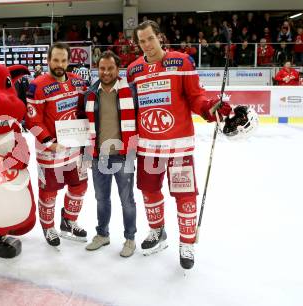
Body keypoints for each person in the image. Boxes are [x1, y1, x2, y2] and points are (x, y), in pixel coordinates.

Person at [127, 20, 231, 269]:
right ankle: (158, 232)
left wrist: (209, 108)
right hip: (148, 148)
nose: (147, 45)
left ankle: (187, 244)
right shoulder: (133, 70)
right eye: (141, 41)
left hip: (178, 146)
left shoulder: (180, 62)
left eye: (150, 38)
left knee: (185, 195)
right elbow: (131, 109)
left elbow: (196, 98)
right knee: (150, 192)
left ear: (159, 37)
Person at [25, 42, 88, 247]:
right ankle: (48, 226)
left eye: (63, 60)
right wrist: (49, 143)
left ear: (69, 61)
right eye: (55, 60)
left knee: (79, 186)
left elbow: (84, 110)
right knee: (49, 191)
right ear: (48, 60)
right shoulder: (37, 85)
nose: (59, 64)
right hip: (50, 151)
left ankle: (69, 220)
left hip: (75, 148)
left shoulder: (78, 82)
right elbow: (32, 122)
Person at [82, 50, 137, 257]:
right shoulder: (90, 93)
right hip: (99, 157)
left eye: (110, 68)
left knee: (127, 201)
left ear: (117, 69)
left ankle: (130, 239)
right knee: (101, 199)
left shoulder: (130, 92)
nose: (106, 72)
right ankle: (103, 234)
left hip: (124, 156)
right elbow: (84, 126)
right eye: (102, 68)